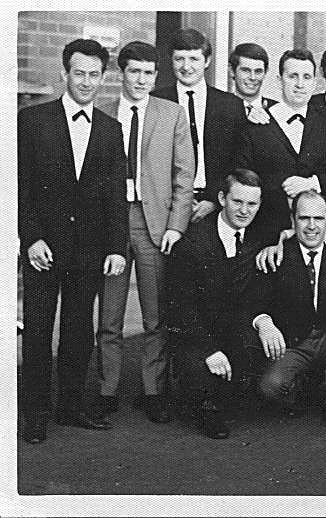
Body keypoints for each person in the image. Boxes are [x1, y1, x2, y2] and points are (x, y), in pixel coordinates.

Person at [19, 39, 128, 443]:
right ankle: (35, 413)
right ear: (64, 74)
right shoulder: (32, 121)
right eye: (78, 73)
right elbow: (20, 187)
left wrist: (116, 247)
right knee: (37, 331)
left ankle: (70, 406)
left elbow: (115, 194)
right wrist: (31, 238)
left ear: (102, 78)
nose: (85, 81)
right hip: (43, 248)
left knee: (79, 330)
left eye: (93, 74)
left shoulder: (110, 129)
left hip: (89, 249)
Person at [95, 41, 195, 424]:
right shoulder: (103, 113)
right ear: (122, 73)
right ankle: (106, 390)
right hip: (112, 222)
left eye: (148, 73)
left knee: (156, 316)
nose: (141, 79)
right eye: (134, 71)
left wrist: (176, 226)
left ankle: (153, 390)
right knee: (110, 316)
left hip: (155, 223)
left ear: (156, 76)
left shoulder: (172, 113)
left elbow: (184, 175)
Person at [248, 190, 326, 430]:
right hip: (295, 342)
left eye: (318, 219)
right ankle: (303, 390)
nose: (311, 226)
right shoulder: (278, 254)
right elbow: (255, 301)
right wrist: (264, 321)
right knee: (270, 387)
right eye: (304, 218)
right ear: (293, 220)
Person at [235, 48, 326, 266]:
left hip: (321, 238)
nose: (300, 84)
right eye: (293, 76)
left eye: (307, 77)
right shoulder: (257, 124)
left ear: (315, 82)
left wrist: (312, 183)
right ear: (279, 79)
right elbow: (244, 180)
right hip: (269, 238)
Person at [167, 169, 265, 439]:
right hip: (197, 335)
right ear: (222, 198)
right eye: (237, 201)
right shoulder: (193, 242)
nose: (244, 210)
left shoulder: (257, 237)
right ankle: (206, 403)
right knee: (201, 381)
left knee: (251, 366)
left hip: (234, 331)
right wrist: (209, 350)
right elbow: (180, 307)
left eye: (252, 204)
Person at [151, 28, 246, 223]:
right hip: (167, 207)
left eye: (194, 59)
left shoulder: (230, 105)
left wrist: (214, 200)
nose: (186, 67)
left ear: (207, 61)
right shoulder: (155, 101)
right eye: (179, 59)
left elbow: (238, 159)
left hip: (215, 206)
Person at [229, 42, 275, 122]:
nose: (252, 77)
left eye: (258, 71)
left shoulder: (277, 110)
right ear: (232, 71)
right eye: (246, 70)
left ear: (265, 72)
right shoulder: (219, 109)